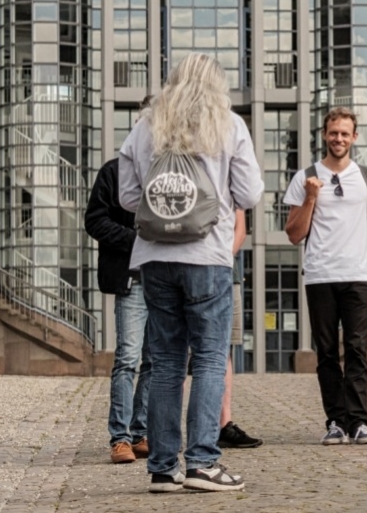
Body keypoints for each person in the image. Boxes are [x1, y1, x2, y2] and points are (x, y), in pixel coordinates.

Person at [120, 53, 263, 493]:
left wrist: (167, 211)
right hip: (208, 254)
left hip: (155, 256)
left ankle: (163, 468)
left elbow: (128, 197)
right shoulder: (229, 124)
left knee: (165, 362)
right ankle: (202, 463)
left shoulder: (147, 126)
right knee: (208, 359)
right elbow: (250, 193)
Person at [284, 107, 367, 446]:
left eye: (345, 133)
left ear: (354, 137)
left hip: (357, 274)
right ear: (325, 135)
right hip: (320, 275)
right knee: (326, 352)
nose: (339, 138)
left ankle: (359, 421)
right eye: (333, 132)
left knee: (356, 349)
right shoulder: (305, 177)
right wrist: (311, 197)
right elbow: (294, 233)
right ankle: (336, 421)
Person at [86, 153, 151, 464]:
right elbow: (94, 220)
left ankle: (141, 433)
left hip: (166, 278)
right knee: (127, 358)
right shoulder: (114, 171)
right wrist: (135, 240)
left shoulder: (172, 168)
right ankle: (120, 438)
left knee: (156, 362)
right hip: (132, 278)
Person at [218, 208, 263, 449]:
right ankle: (169, 431)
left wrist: (220, 261)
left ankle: (224, 425)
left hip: (226, 272)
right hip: (186, 269)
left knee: (224, 350)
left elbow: (240, 228)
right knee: (179, 353)